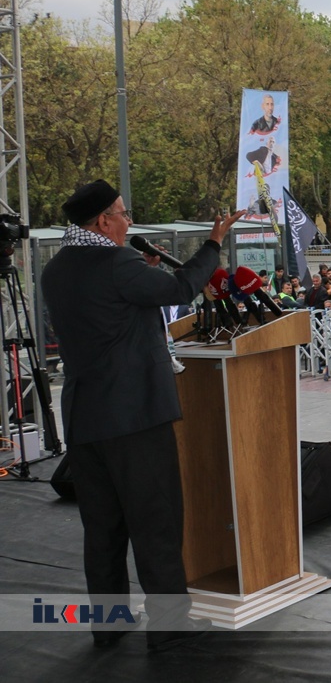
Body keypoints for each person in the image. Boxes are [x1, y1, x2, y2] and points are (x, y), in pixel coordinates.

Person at [41, 179, 243, 650]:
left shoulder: (57, 269)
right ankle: (169, 626)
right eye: (124, 213)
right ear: (104, 221)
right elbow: (182, 285)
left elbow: (117, 310)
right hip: (134, 417)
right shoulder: (116, 262)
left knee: (103, 527)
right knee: (156, 522)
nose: (130, 222)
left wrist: (142, 270)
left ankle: (108, 624)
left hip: (85, 417)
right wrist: (213, 243)